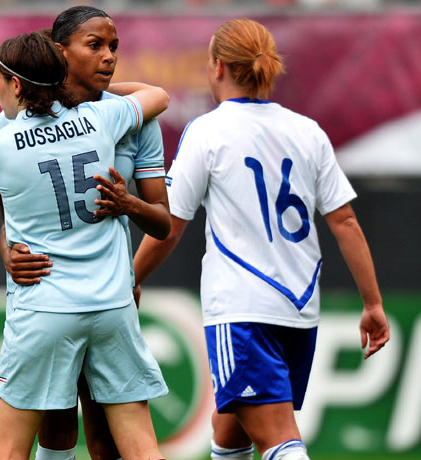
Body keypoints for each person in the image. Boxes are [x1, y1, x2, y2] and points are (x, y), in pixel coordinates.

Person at [132, 18, 390, 460]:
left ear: (216, 66)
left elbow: (170, 225)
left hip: (243, 308)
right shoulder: (307, 131)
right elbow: (345, 221)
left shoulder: (208, 131)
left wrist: (129, 279)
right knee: (229, 432)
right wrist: (373, 303)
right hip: (299, 308)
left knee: (278, 438)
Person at [0, 31, 170, 460]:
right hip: (112, 306)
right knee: (142, 448)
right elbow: (157, 97)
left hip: (45, 307)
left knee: (9, 449)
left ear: (16, 84)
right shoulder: (101, 118)